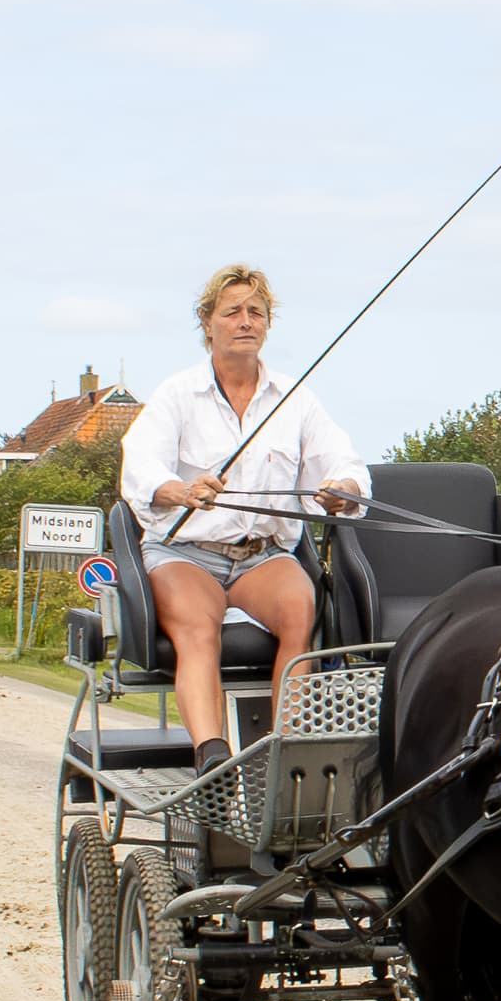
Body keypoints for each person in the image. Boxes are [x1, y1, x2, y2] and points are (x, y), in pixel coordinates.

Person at [119, 263, 367, 773]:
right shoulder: (176, 395)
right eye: (232, 311)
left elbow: (344, 464)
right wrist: (182, 490)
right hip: (185, 553)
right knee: (197, 628)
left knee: (302, 610)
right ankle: (213, 757)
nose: (245, 321)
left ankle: (286, 758)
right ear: (207, 323)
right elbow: (140, 469)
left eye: (256, 311)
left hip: (263, 556)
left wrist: (342, 491)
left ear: (268, 324)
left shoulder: (296, 401)